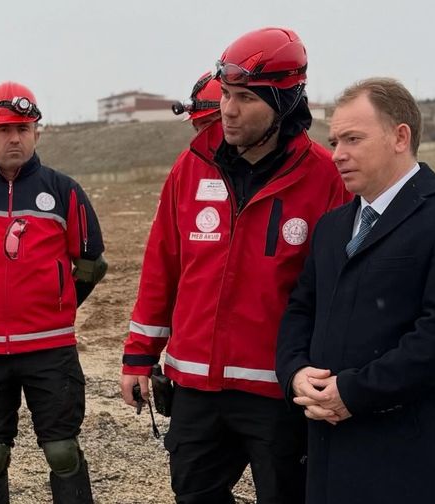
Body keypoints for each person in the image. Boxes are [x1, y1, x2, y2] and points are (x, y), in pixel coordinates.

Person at [120, 27, 350, 504]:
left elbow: (339, 290)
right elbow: (162, 265)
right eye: (225, 94)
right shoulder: (191, 167)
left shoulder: (326, 179)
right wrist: (140, 354)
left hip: (279, 392)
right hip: (195, 386)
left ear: (286, 100)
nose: (228, 109)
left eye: (244, 97)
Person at [275, 78, 435, 504]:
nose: (337, 154)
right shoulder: (332, 227)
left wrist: (355, 392)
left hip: (404, 458)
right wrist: (295, 374)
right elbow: (301, 310)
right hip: (325, 452)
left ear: (401, 137)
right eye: (334, 140)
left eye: (353, 139)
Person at [0, 81, 107, 504]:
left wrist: (58, 302)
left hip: (51, 349)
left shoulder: (64, 190)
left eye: (24, 129)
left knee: (62, 451)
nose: (15, 138)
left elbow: (91, 263)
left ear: (37, 133)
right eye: (4, 129)